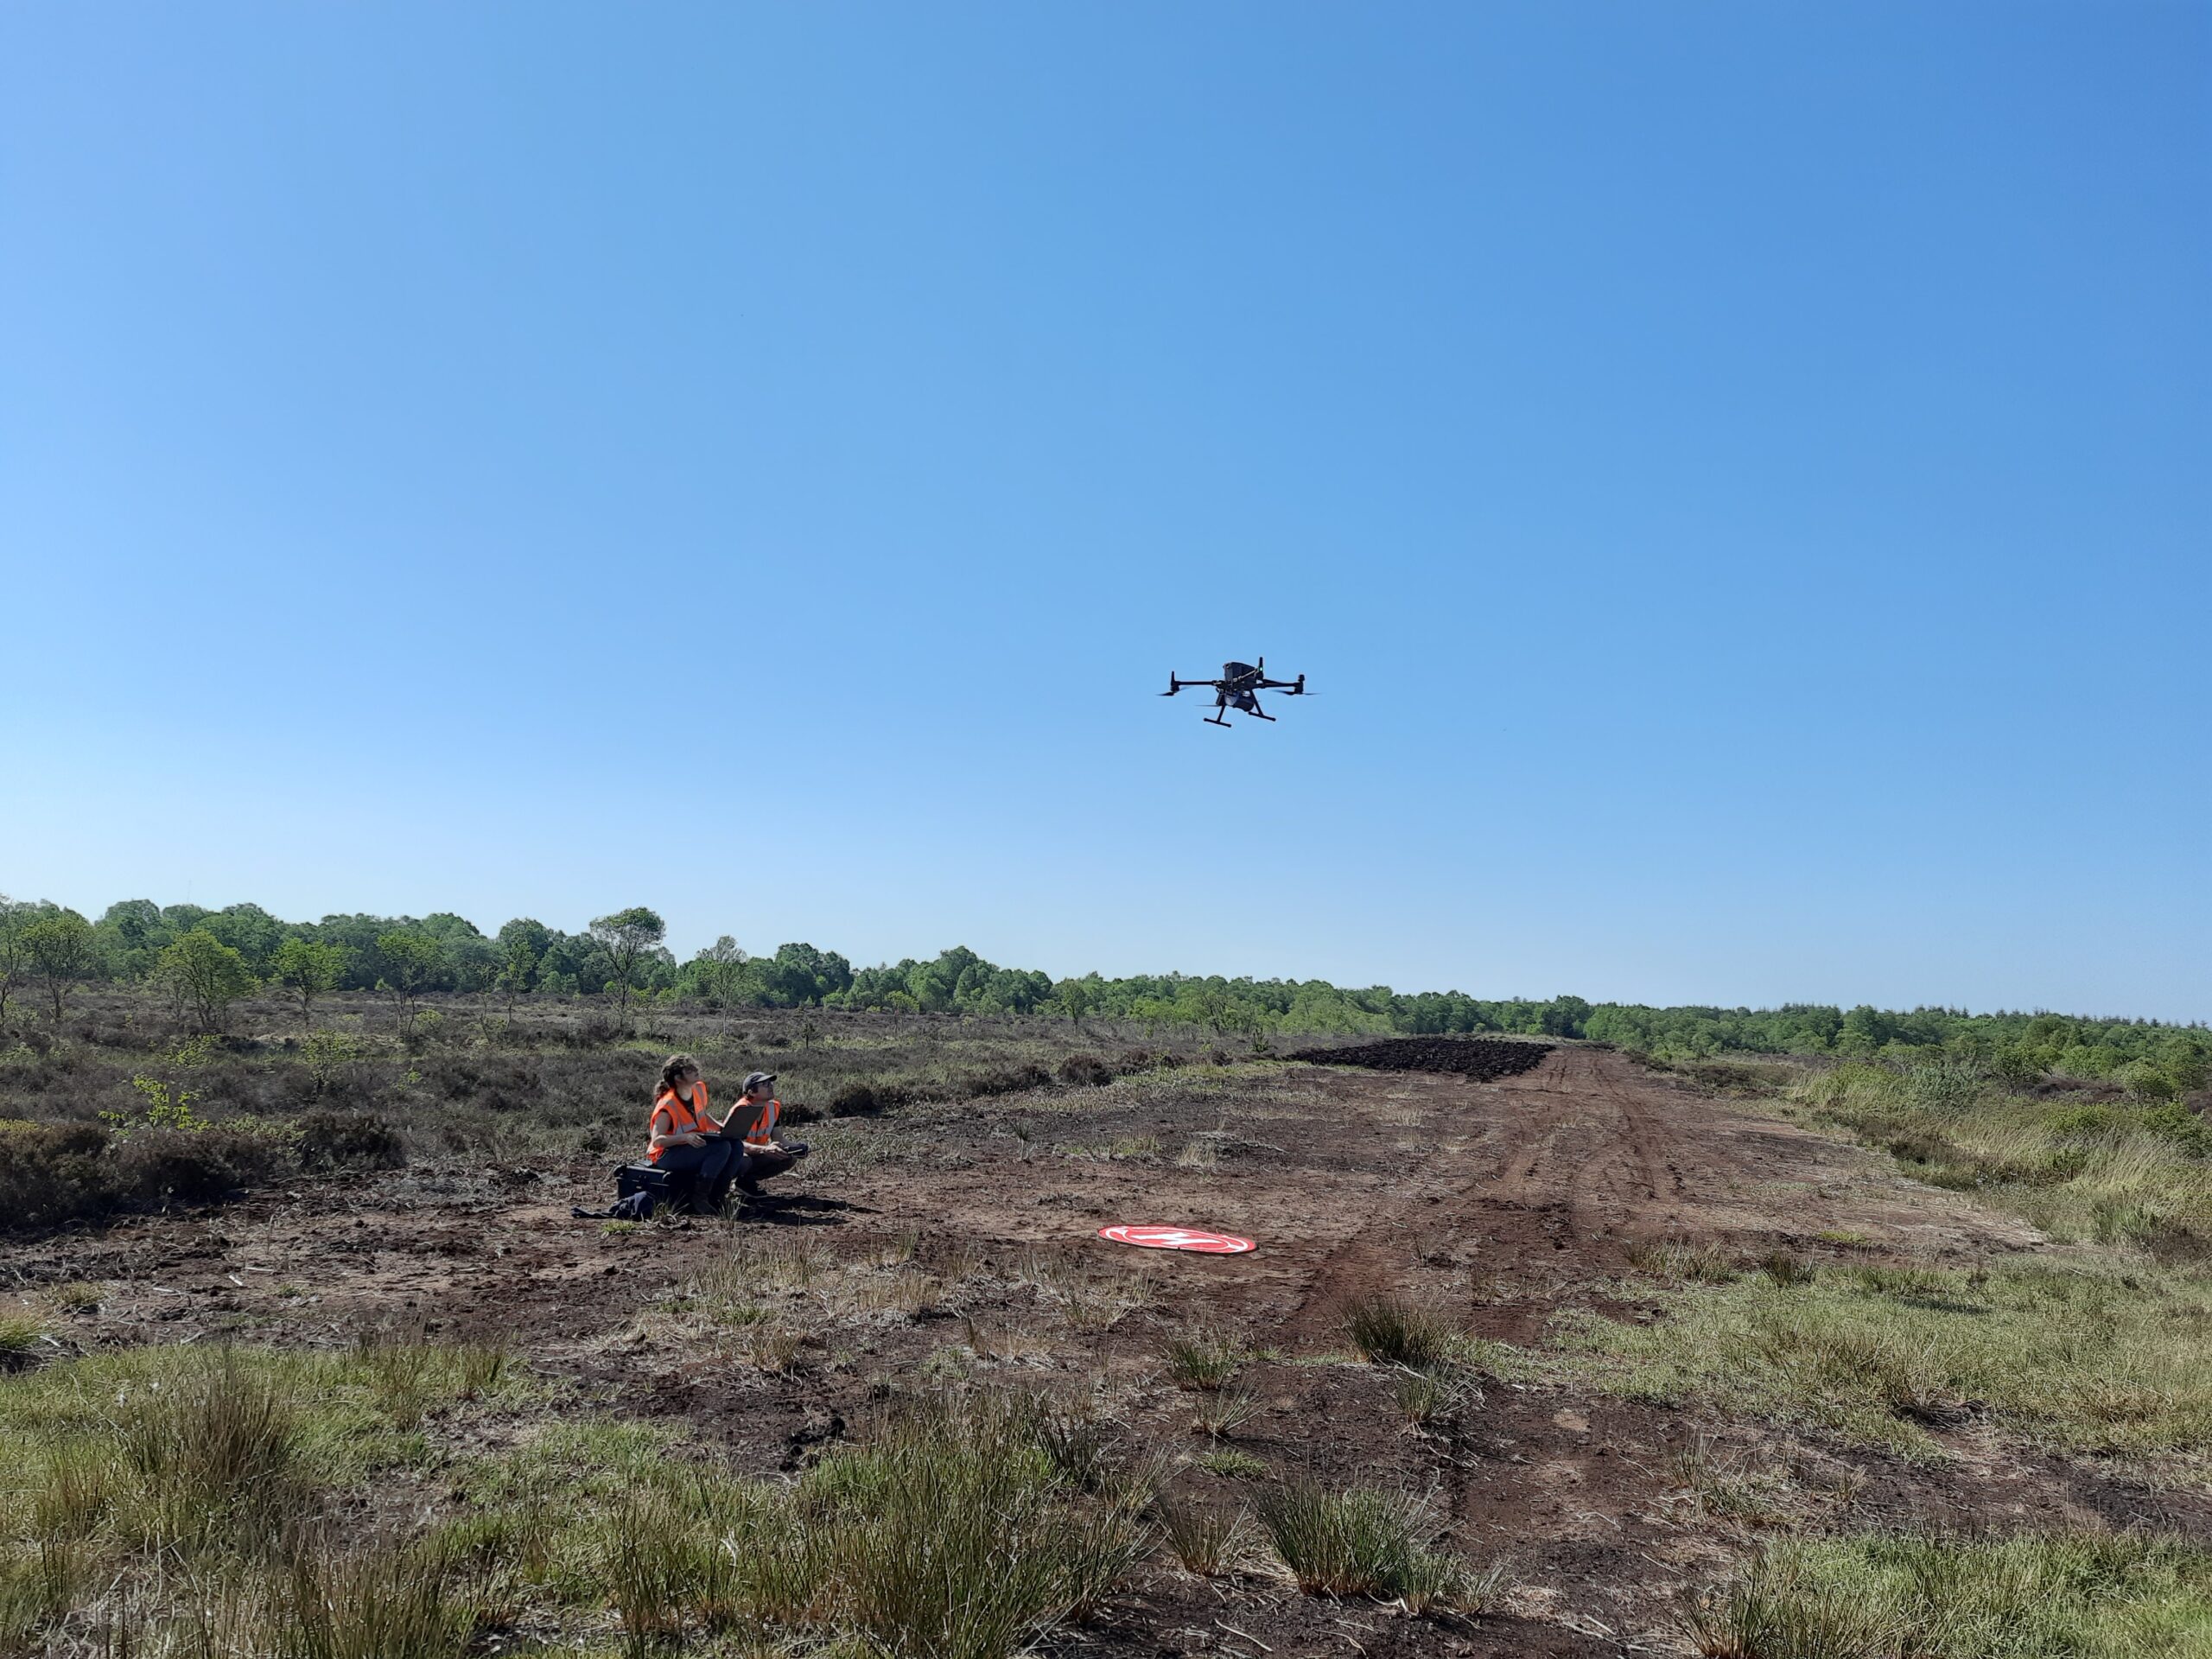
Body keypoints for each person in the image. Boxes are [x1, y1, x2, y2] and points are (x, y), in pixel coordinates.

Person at [645, 1053, 741, 1213]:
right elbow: (658, 1142)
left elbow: (701, 1113)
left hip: (692, 1146)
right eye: (689, 1070)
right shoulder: (667, 1105)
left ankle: (718, 1196)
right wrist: (685, 1137)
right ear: (678, 1078)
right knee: (721, 1148)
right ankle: (700, 1198)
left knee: (735, 1145)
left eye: (694, 1068)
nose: (696, 1071)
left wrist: (721, 1128)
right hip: (666, 1155)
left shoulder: (698, 1089)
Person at [728, 1071, 803, 1196]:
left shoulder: (772, 1108)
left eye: (770, 1083)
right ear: (752, 1092)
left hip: (756, 1153)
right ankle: (720, 1190)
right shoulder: (743, 1110)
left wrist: (796, 1147)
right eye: (765, 1084)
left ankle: (746, 1183)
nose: (770, 1086)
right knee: (745, 1161)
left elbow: (779, 1139)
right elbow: (735, 1144)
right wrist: (765, 1150)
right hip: (737, 1155)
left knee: (789, 1157)